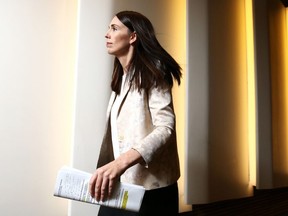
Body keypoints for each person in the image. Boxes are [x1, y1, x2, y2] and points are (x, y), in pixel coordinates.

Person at [89, 10, 182, 216]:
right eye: (108, 28)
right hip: (121, 184)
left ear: (132, 37)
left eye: (114, 28)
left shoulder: (154, 72)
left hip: (151, 190)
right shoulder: (120, 79)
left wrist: (121, 163)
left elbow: (165, 128)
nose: (107, 34)